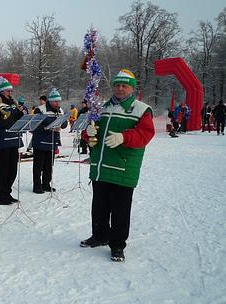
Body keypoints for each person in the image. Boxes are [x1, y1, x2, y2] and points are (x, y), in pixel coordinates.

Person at [80, 69, 155, 262]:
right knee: (99, 207)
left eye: (125, 85)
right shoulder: (101, 107)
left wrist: (124, 137)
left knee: (120, 210)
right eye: (117, 85)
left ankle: (117, 245)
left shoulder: (140, 110)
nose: (120, 89)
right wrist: (88, 134)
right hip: (101, 167)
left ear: (132, 88)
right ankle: (99, 235)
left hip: (123, 168)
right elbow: (90, 132)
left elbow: (146, 134)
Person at [0, 76, 24, 205]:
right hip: (2, 141)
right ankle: (1, 196)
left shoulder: (12, 104)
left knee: (12, 169)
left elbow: (15, 120)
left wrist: (20, 113)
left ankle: (7, 193)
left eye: (11, 91)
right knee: (3, 170)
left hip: (13, 139)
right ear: (1, 91)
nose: (10, 93)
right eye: (8, 91)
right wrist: (11, 118)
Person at [31, 89, 67, 193]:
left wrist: (61, 124)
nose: (58, 103)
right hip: (40, 142)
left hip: (52, 141)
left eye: (59, 101)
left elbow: (64, 124)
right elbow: (35, 126)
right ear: (50, 101)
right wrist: (49, 128)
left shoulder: (60, 110)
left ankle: (46, 184)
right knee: (38, 166)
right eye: (56, 101)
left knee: (49, 165)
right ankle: (37, 186)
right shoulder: (40, 109)